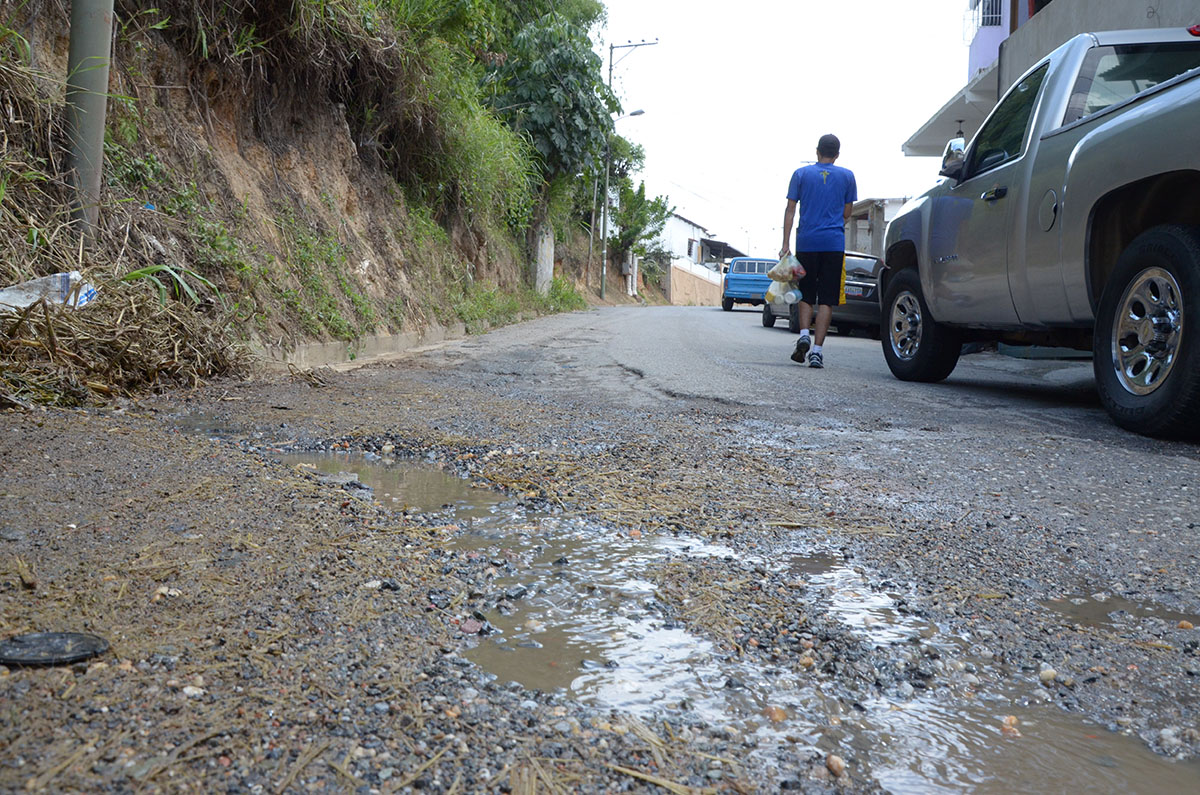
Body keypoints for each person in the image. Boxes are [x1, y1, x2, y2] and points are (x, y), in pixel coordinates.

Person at [780, 134, 857, 369]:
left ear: (817, 151)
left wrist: (785, 244)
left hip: (807, 242)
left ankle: (804, 333)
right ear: (837, 154)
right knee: (826, 299)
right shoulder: (847, 176)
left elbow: (790, 210)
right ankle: (817, 351)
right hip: (833, 244)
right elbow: (847, 213)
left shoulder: (801, 174)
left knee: (805, 293)